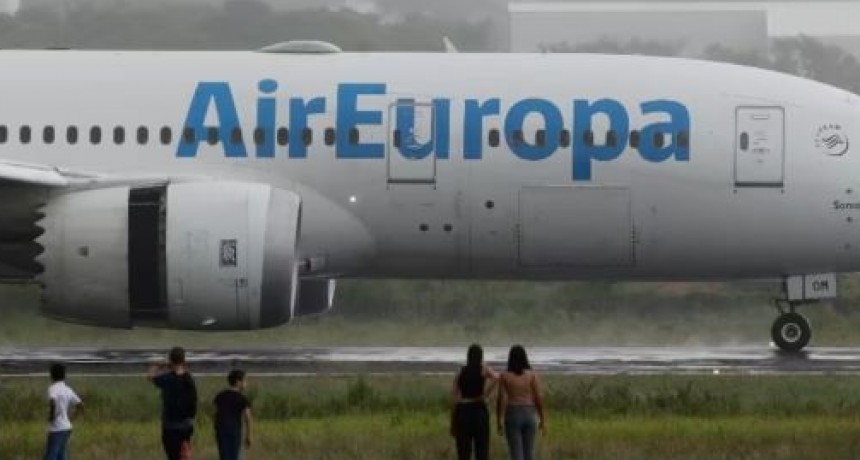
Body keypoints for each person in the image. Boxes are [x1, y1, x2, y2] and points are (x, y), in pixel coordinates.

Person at [450, 344, 499, 460]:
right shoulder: (483, 369)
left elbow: (454, 399)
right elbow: (497, 378)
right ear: (481, 356)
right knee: (482, 450)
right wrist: (485, 395)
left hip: (463, 411)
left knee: (463, 452)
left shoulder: (460, 372)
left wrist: (452, 423)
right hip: (479, 410)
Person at [496, 345, 545, 460]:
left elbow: (501, 398)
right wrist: (542, 418)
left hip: (512, 412)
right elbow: (538, 397)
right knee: (529, 454)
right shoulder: (531, 375)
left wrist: (498, 420)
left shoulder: (505, 376)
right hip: (529, 412)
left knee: (516, 454)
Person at [148, 346, 198, 460]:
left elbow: (150, 376)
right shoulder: (189, 378)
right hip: (187, 424)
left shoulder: (167, 379)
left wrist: (159, 366)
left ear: (170, 360)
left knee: (173, 455)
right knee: (184, 453)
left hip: (170, 425)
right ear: (184, 360)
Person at [43, 363, 82, 460]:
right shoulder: (68, 389)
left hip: (56, 428)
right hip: (67, 427)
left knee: (51, 456)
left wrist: (51, 418)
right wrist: (71, 418)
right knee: (61, 455)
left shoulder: (52, 388)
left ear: (51, 375)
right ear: (64, 375)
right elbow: (80, 405)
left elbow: (53, 402)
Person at [213, 369, 253, 460]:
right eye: (245, 381)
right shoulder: (242, 399)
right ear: (238, 382)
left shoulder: (220, 396)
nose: (246, 384)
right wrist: (249, 435)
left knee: (224, 455)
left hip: (221, 430)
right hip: (235, 431)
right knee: (235, 455)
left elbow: (215, 412)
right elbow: (248, 417)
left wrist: (216, 427)